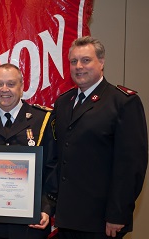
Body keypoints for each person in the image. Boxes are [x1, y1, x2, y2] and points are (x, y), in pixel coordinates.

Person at [51, 36, 148, 239]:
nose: (79, 66)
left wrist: (118, 213)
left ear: (101, 62)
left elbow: (131, 165)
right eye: (74, 61)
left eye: (86, 60)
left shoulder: (122, 102)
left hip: (102, 221)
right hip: (67, 218)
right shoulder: (63, 103)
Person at [0, 63, 57, 239]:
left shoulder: (43, 119)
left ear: (22, 87)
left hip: (32, 223)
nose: (4, 89)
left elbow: (52, 167)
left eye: (11, 84)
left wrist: (46, 207)